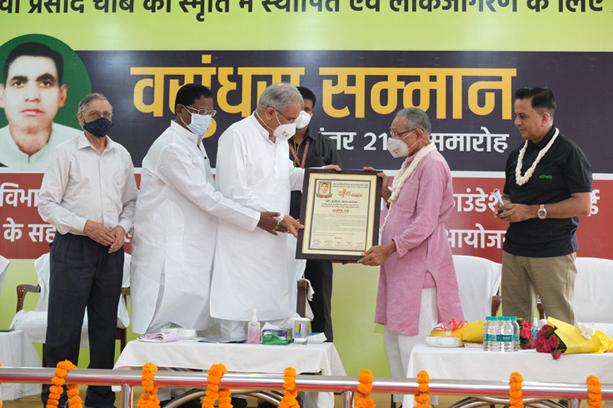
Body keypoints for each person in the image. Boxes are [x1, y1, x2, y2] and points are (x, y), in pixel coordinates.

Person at [130, 83, 287, 335]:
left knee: (185, 337)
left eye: (210, 113)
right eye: (199, 112)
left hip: (188, 253)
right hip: (166, 256)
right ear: (180, 110)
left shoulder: (193, 142)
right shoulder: (171, 147)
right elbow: (207, 198)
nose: (205, 119)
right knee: (160, 337)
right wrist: (256, 218)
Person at [211, 83, 340, 341]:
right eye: (291, 118)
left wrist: (315, 176)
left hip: (275, 248)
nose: (294, 125)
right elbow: (234, 191)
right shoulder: (237, 136)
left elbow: (285, 176)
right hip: (244, 246)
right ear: (270, 113)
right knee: (240, 329)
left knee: (274, 328)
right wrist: (279, 217)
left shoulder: (279, 139)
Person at [37, 93, 137, 408]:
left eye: (107, 112)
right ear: (81, 118)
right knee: (64, 327)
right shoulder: (65, 153)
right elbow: (46, 204)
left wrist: (122, 228)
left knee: (104, 327)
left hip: (111, 249)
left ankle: (100, 397)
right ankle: (57, 396)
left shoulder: (121, 154)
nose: (102, 118)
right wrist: (85, 225)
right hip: (74, 246)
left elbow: (131, 202)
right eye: (95, 113)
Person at [359, 108, 463, 406]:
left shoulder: (432, 164)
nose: (392, 139)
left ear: (419, 134)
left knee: (412, 345)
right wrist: (383, 191)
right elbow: (403, 210)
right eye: (391, 132)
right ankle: (401, 400)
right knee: (393, 341)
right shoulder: (412, 162)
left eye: (398, 133)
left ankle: (419, 402)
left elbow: (425, 222)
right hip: (399, 268)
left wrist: (387, 248)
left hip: (418, 270)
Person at [496, 87, 592, 324]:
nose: (516, 122)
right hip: (514, 250)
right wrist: (505, 207)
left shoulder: (569, 153)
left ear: (545, 117)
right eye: (515, 115)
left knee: (560, 329)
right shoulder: (516, 155)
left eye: (523, 116)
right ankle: (516, 364)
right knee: (515, 327)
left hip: (553, 251)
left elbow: (583, 205)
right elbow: (509, 194)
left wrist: (530, 211)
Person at [288, 86, 342, 341]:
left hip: (317, 235)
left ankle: (322, 363)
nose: (302, 114)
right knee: (282, 299)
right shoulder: (275, 142)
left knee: (320, 300)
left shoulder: (325, 144)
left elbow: (338, 192)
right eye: (299, 110)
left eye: (307, 110)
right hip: (281, 231)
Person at [0, 41, 81, 170]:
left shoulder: (81, 145)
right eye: (18, 83)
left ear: (62, 95)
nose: (32, 97)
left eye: (45, 83)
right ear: (2, 96)